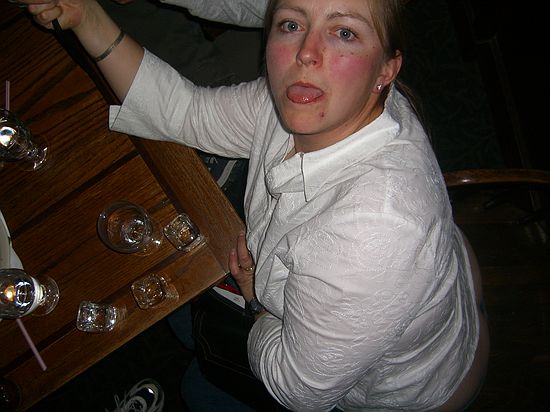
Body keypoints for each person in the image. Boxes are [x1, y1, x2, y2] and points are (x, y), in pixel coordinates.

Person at [24, 0, 490, 410]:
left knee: (198, 391)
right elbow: (186, 111)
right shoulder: (310, 100)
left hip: (401, 389)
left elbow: (297, 390)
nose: (306, 52)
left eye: (344, 32)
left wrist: (253, 302)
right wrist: (86, 15)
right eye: (292, 24)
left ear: (387, 69)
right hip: (401, 295)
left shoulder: (371, 236)